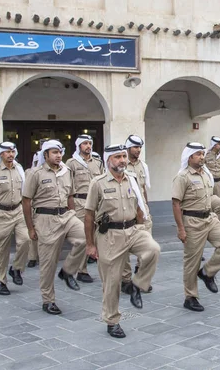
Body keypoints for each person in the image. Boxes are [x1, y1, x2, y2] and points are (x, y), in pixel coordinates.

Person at [85, 144, 160, 338]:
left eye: (124, 157)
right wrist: (90, 244)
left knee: (153, 249)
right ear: (109, 160)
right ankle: (112, 320)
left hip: (133, 229)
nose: (122, 160)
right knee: (112, 282)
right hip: (109, 235)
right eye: (117, 157)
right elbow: (88, 214)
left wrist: (143, 224)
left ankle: (137, 285)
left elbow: (139, 205)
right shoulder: (98, 183)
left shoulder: (132, 180)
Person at [22, 139, 87, 315]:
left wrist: (72, 213)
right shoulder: (35, 173)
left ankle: (67, 271)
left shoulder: (66, 172)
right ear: (45, 155)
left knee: (86, 238)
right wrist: (30, 228)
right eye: (54, 152)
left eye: (60, 152)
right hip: (45, 219)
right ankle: (48, 300)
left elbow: (71, 195)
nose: (58, 155)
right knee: (48, 263)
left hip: (66, 215)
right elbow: (26, 201)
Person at [172, 142, 220, 311]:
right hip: (192, 221)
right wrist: (181, 229)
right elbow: (176, 204)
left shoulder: (206, 174)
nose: (202, 157)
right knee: (192, 260)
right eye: (198, 154)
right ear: (190, 157)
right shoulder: (182, 177)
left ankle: (207, 272)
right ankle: (190, 297)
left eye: (203, 153)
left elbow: (209, 197)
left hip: (209, 217)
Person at [0, 142, 30, 295]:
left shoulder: (19, 169)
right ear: (1, 154)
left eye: (12, 152)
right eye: (7, 152)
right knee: (2, 250)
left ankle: (16, 268)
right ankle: (1, 281)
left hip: (18, 210)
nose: (11, 154)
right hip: (0, 213)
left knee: (26, 240)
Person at [66, 134, 104, 283]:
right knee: (83, 237)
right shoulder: (72, 163)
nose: (88, 146)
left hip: (95, 203)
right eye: (85, 144)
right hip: (80, 203)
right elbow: (68, 186)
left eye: (90, 143)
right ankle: (81, 270)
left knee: (95, 236)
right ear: (79, 146)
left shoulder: (98, 163)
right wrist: (71, 208)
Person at [121, 135, 153, 293]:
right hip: (126, 211)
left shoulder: (143, 166)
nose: (138, 150)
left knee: (146, 245)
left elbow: (143, 189)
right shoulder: (120, 164)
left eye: (140, 147)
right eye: (135, 147)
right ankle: (125, 279)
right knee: (125, 246)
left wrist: (146, 208)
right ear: (128, 148)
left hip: (142, 210)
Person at [27, 138, 49, 268]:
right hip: (35, 205)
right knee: (34, 232)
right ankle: (32, 256)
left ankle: (43, 257)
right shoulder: (31, 172)